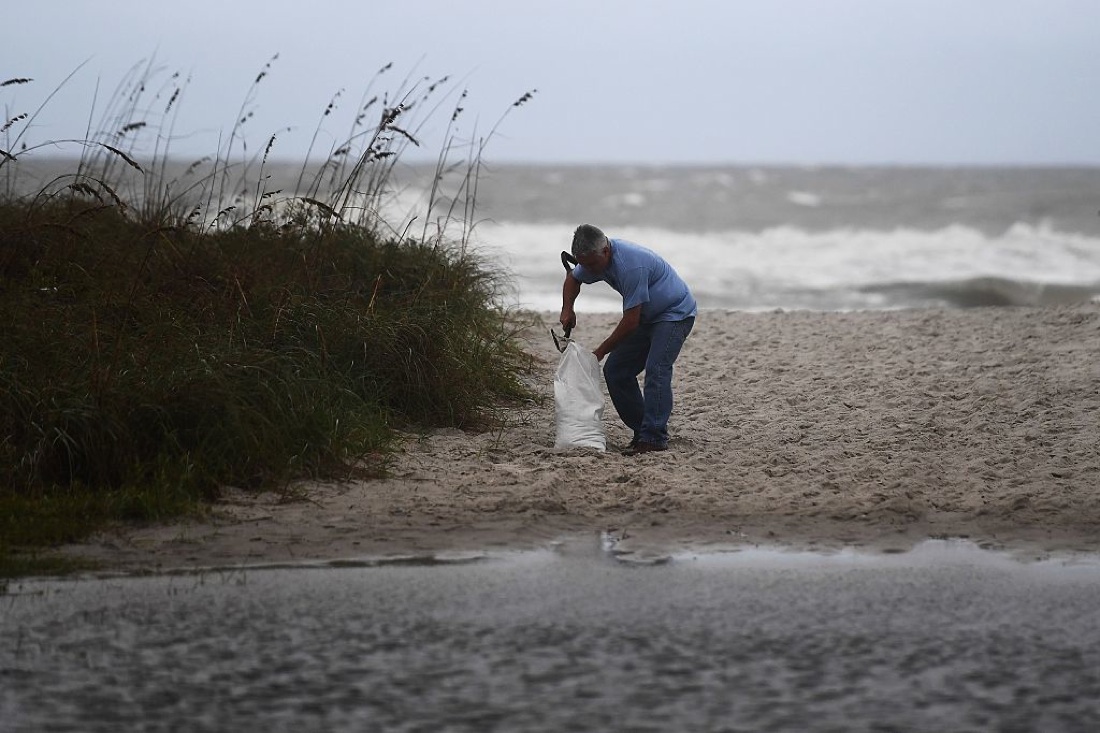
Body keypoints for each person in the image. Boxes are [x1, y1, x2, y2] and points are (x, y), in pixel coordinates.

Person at [559, 224, 697, 455]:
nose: (589, 270)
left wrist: (600, 351)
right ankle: (644, 430)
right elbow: (573, 279)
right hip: (646, 316)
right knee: (616, 372)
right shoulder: (590, 261)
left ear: (606, 251)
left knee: (657, 370)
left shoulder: (631, 266)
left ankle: (653, 438)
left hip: (674, 314)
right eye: (584, 264)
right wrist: (567, 310)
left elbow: (630, 322)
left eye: (592, 264)